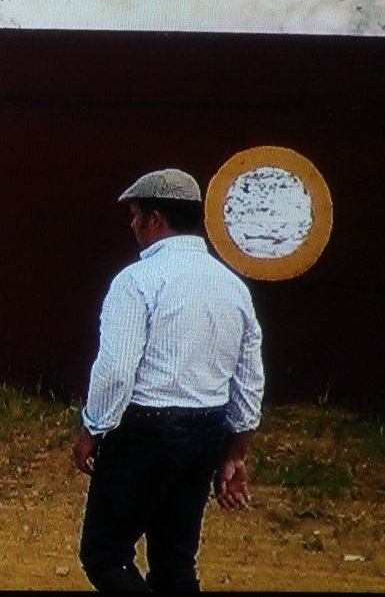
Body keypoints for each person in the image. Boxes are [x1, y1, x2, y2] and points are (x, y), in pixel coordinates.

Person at [73, 168, 264, 591]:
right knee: (175, 564)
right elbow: (249, 380)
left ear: (155, 219)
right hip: (206, 432)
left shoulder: (137, 280)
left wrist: (92, 427)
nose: (132, 226)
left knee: (105, 553)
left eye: (136, 215)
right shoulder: (232, 287)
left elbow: (117, 369)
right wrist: (235, 452)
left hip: (145, 431)